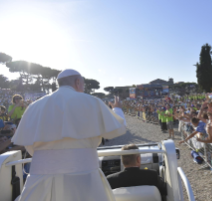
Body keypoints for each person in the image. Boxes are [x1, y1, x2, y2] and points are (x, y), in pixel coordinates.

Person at [12, 69, 127, 201]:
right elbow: (117, 129)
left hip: (40, 180)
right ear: (78, 82)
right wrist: (117, 109)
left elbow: (29, 146)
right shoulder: (91, 101)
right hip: (84, 178)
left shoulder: (34, 106)